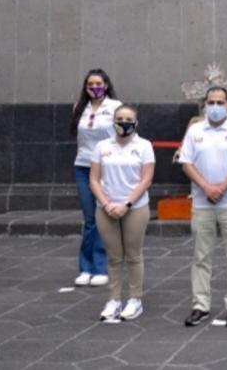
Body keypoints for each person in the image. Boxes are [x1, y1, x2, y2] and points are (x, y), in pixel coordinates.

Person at [178, 86, 227, 327]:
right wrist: (206, 187)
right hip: (202, 203)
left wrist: (221, 187)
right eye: (211, 102)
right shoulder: (195, 131)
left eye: (220, 102)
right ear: (204, 105)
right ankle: (200, 305)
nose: (215, 106)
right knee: (201, 256)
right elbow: (186, 162)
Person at [89, 105, 155, 322]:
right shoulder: (102, 146)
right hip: (106, 208)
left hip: (134, 208)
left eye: (128, 119)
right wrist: (107, 204)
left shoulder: (144, 146)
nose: (123, 122)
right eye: (119, 118)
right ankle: (114, 299)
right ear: (113, 121)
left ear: (136, 123)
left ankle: (135, 299)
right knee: (114, 256)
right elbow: (94, 179)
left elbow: (146, 179)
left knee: (134, 255)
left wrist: (126, 204)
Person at [69, 68, 122, 287]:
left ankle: (101, 267)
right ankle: (85, 268)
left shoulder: (115, 107)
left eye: (98, 84)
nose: (94, 88)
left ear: (106, 85)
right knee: (89, 218)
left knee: (102, 218)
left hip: (106, 166)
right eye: (90, 84)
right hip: (83, 165)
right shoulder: (79, 107)